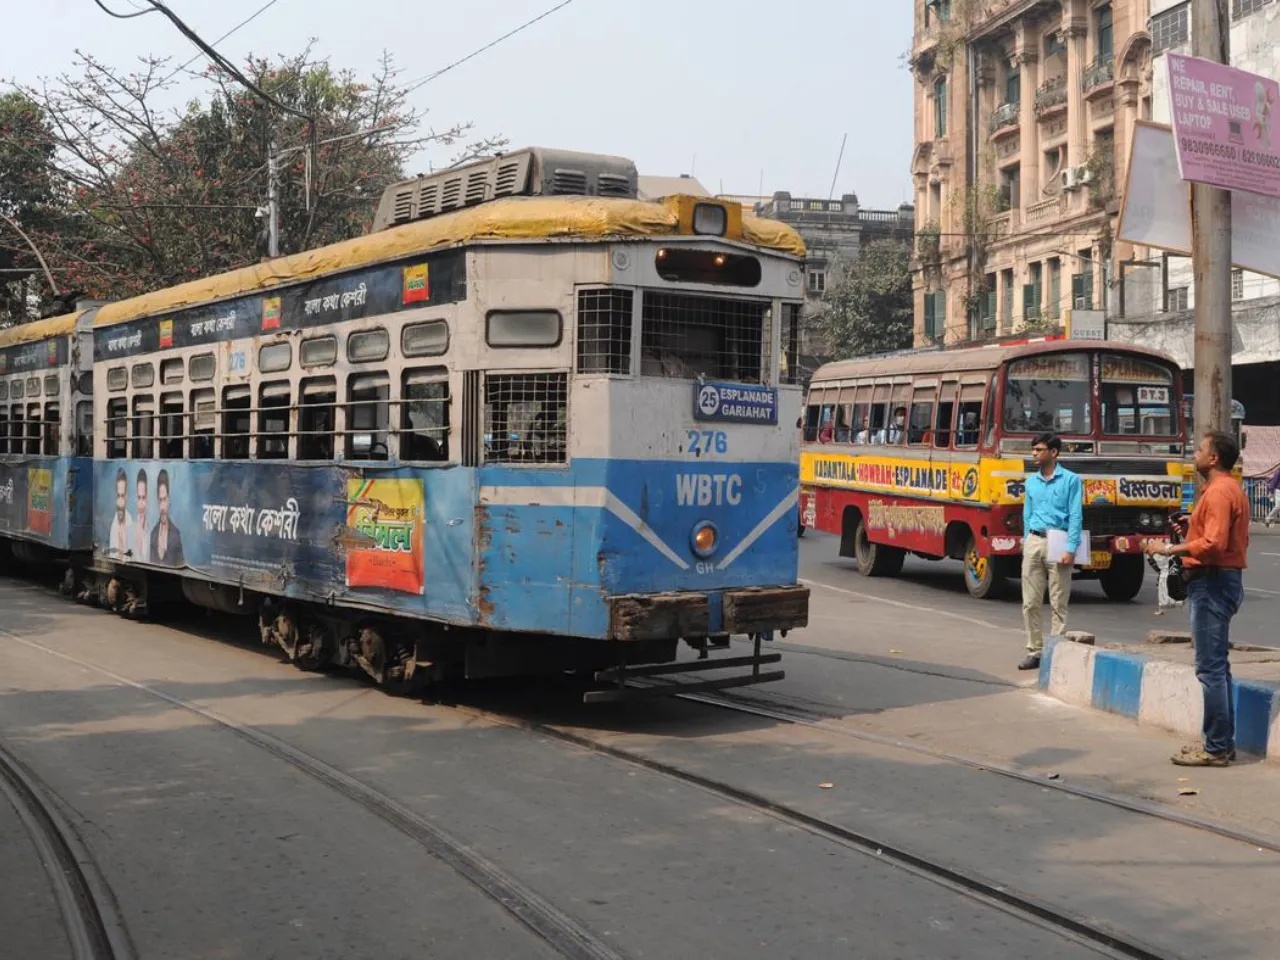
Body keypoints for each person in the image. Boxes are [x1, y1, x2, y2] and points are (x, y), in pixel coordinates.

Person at [1145, 431, 1250, 766]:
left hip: (1212, 582)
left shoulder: (1219, 492)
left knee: (1210, 669)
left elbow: (1215, 544)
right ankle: (1222, 742)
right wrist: (1192, 523)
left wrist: (1169, 548)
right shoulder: (1228, 490)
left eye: (1201, 449)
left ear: (1214, 458)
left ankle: (1216, 748)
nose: (1196, 453)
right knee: (1218, 667)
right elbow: (1216, 533)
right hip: (1219, 581)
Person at [1018, 432, 1083, 671]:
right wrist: (1026, 541)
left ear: (1053, 453)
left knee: (1058, 600)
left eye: (1039, 450)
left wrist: (1071, 547)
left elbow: (1076, 515)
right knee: (1030, 602)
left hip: (1059, 539)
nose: (1034, 453)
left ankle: (1056, 650)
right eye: (1033, 449)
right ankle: (1034, 651)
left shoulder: (1071, 480)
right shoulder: (1031, 482)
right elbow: (1027, 513)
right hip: (1034, 540)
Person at [150, 469, 185, 567]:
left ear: (169, 500)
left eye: (164, 500)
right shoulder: (153, 534)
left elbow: (180, 565)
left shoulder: (176, 534)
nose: (162, 507)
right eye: (160, 500)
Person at [107, 468, 132, 559]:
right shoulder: (113, 526)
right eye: (118, 496)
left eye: (123, 496)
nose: (120, 502)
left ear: (127, 496)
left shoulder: (131, 524)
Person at [133, 469, 150, 563]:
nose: (141, 504)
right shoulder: (130, 530)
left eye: (144, 498)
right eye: (139, 498)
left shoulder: (152, 533)